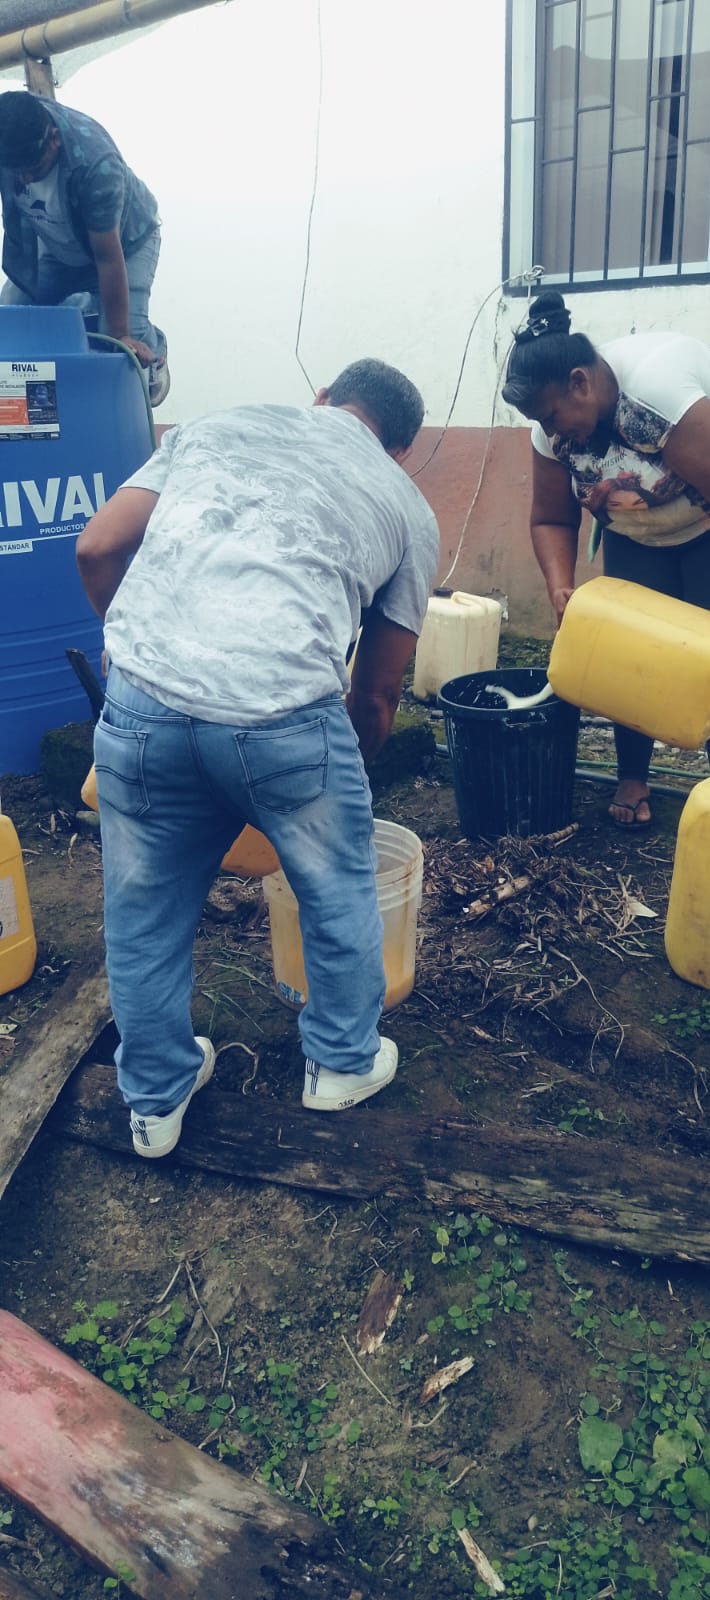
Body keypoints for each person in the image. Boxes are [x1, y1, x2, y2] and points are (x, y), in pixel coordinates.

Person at [76, 358, 439, 1158]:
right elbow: (378, 692)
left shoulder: (215, 425)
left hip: (140, 708)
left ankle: (154, 1100)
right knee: (338, 887)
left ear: (322, 398)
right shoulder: (408, 507)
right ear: (400, 450)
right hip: (284, 715)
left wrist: (134, 648)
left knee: (142, 911)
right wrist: (339, 780)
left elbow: (97, 548)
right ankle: (341, 1063)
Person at [502, 290, 710, 829]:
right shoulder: (550, 433)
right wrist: (560, 585)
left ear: (580, 382)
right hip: (635, 537)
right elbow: (551, 518)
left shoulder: (656, 393)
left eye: (552, 417)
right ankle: (632, 775)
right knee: (631, 655)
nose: (551, 432)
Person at [0, 90, 169, 406]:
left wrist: (120, 333)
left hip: (125, 245)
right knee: (10, 313)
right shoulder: (8, 136)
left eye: (33, 169)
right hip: (60, 243)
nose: (25, 178)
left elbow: (107, 258)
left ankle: (154, 346)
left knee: (120, 344)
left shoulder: (96, 165)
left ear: (54, 139)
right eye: (15, 171)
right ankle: (83, 306)